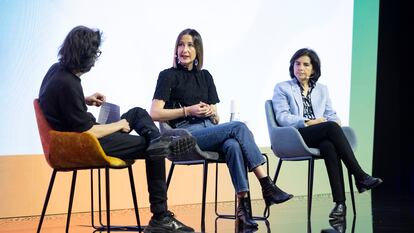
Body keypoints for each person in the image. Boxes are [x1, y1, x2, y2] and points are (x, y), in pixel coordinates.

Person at [38, 25, 196, 233]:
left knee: (139, 112)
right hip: (89, 142)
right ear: (84, 54)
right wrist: (119, 125)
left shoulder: (57, 71)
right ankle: (160, 216)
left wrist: (84, 100)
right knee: (153, 149)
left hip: (84, 135)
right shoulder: (68, 83)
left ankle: (159, 141)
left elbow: (56, 103)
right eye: (95, 53)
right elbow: (88, 132)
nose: (95, 58)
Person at [150, 28, 293, 230]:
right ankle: (266, 184)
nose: (185, 49)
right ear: (176, 49)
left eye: (190, 45)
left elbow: (217, 118)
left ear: (198, 50)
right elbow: (155, 113)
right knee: (239, 127)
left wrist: (210, 112)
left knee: (233, 145)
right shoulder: (167, 76)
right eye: (181, 44)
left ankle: (243, 211)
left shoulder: (206, 76)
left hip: (207, 129)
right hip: (184, 134)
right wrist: (187, 110)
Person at [272, 48, 383, 219]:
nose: (300, 68)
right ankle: (360, 175)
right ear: (292, 66)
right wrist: (308, 122)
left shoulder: (322, 89)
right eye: (297, 64)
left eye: (305, 64)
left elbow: (331, 113)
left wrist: (335, 121)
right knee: (330, 128)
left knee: (329, 145)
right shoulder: (283, 88)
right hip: (296, 135)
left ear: (313, 69)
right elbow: (282, 117)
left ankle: (340, 205)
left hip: (319, 134)